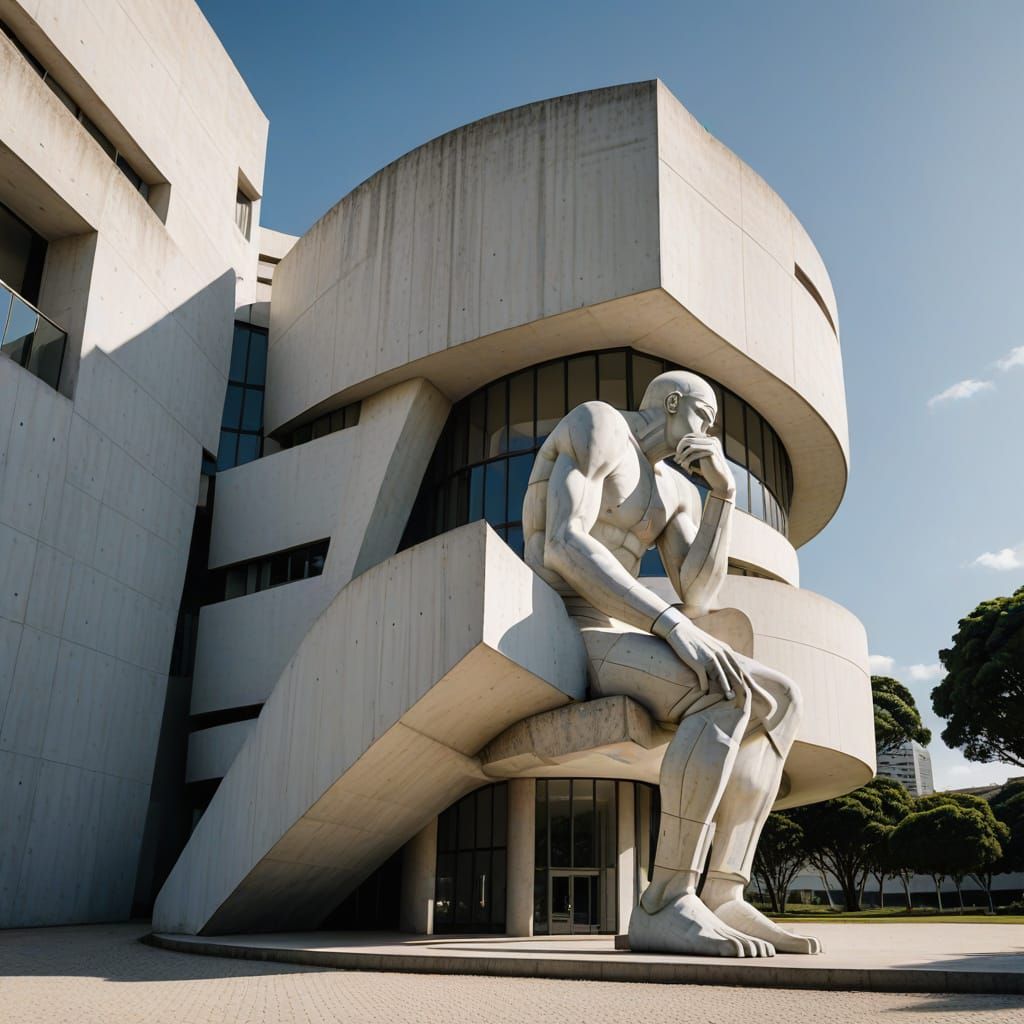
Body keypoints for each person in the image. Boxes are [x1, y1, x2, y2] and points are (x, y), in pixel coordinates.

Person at [522, 369, 820, 956]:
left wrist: (722, 496)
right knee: (725, 690)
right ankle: (664, 899)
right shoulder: (598, 424)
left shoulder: (673, 489)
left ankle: (723, 894)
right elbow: (562, 541)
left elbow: (700, 591)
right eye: (706, 420)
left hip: (622, 634)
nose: (709, 433)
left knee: (782, 700)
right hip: (561, 629)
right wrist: (669, 623)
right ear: (674, 404)